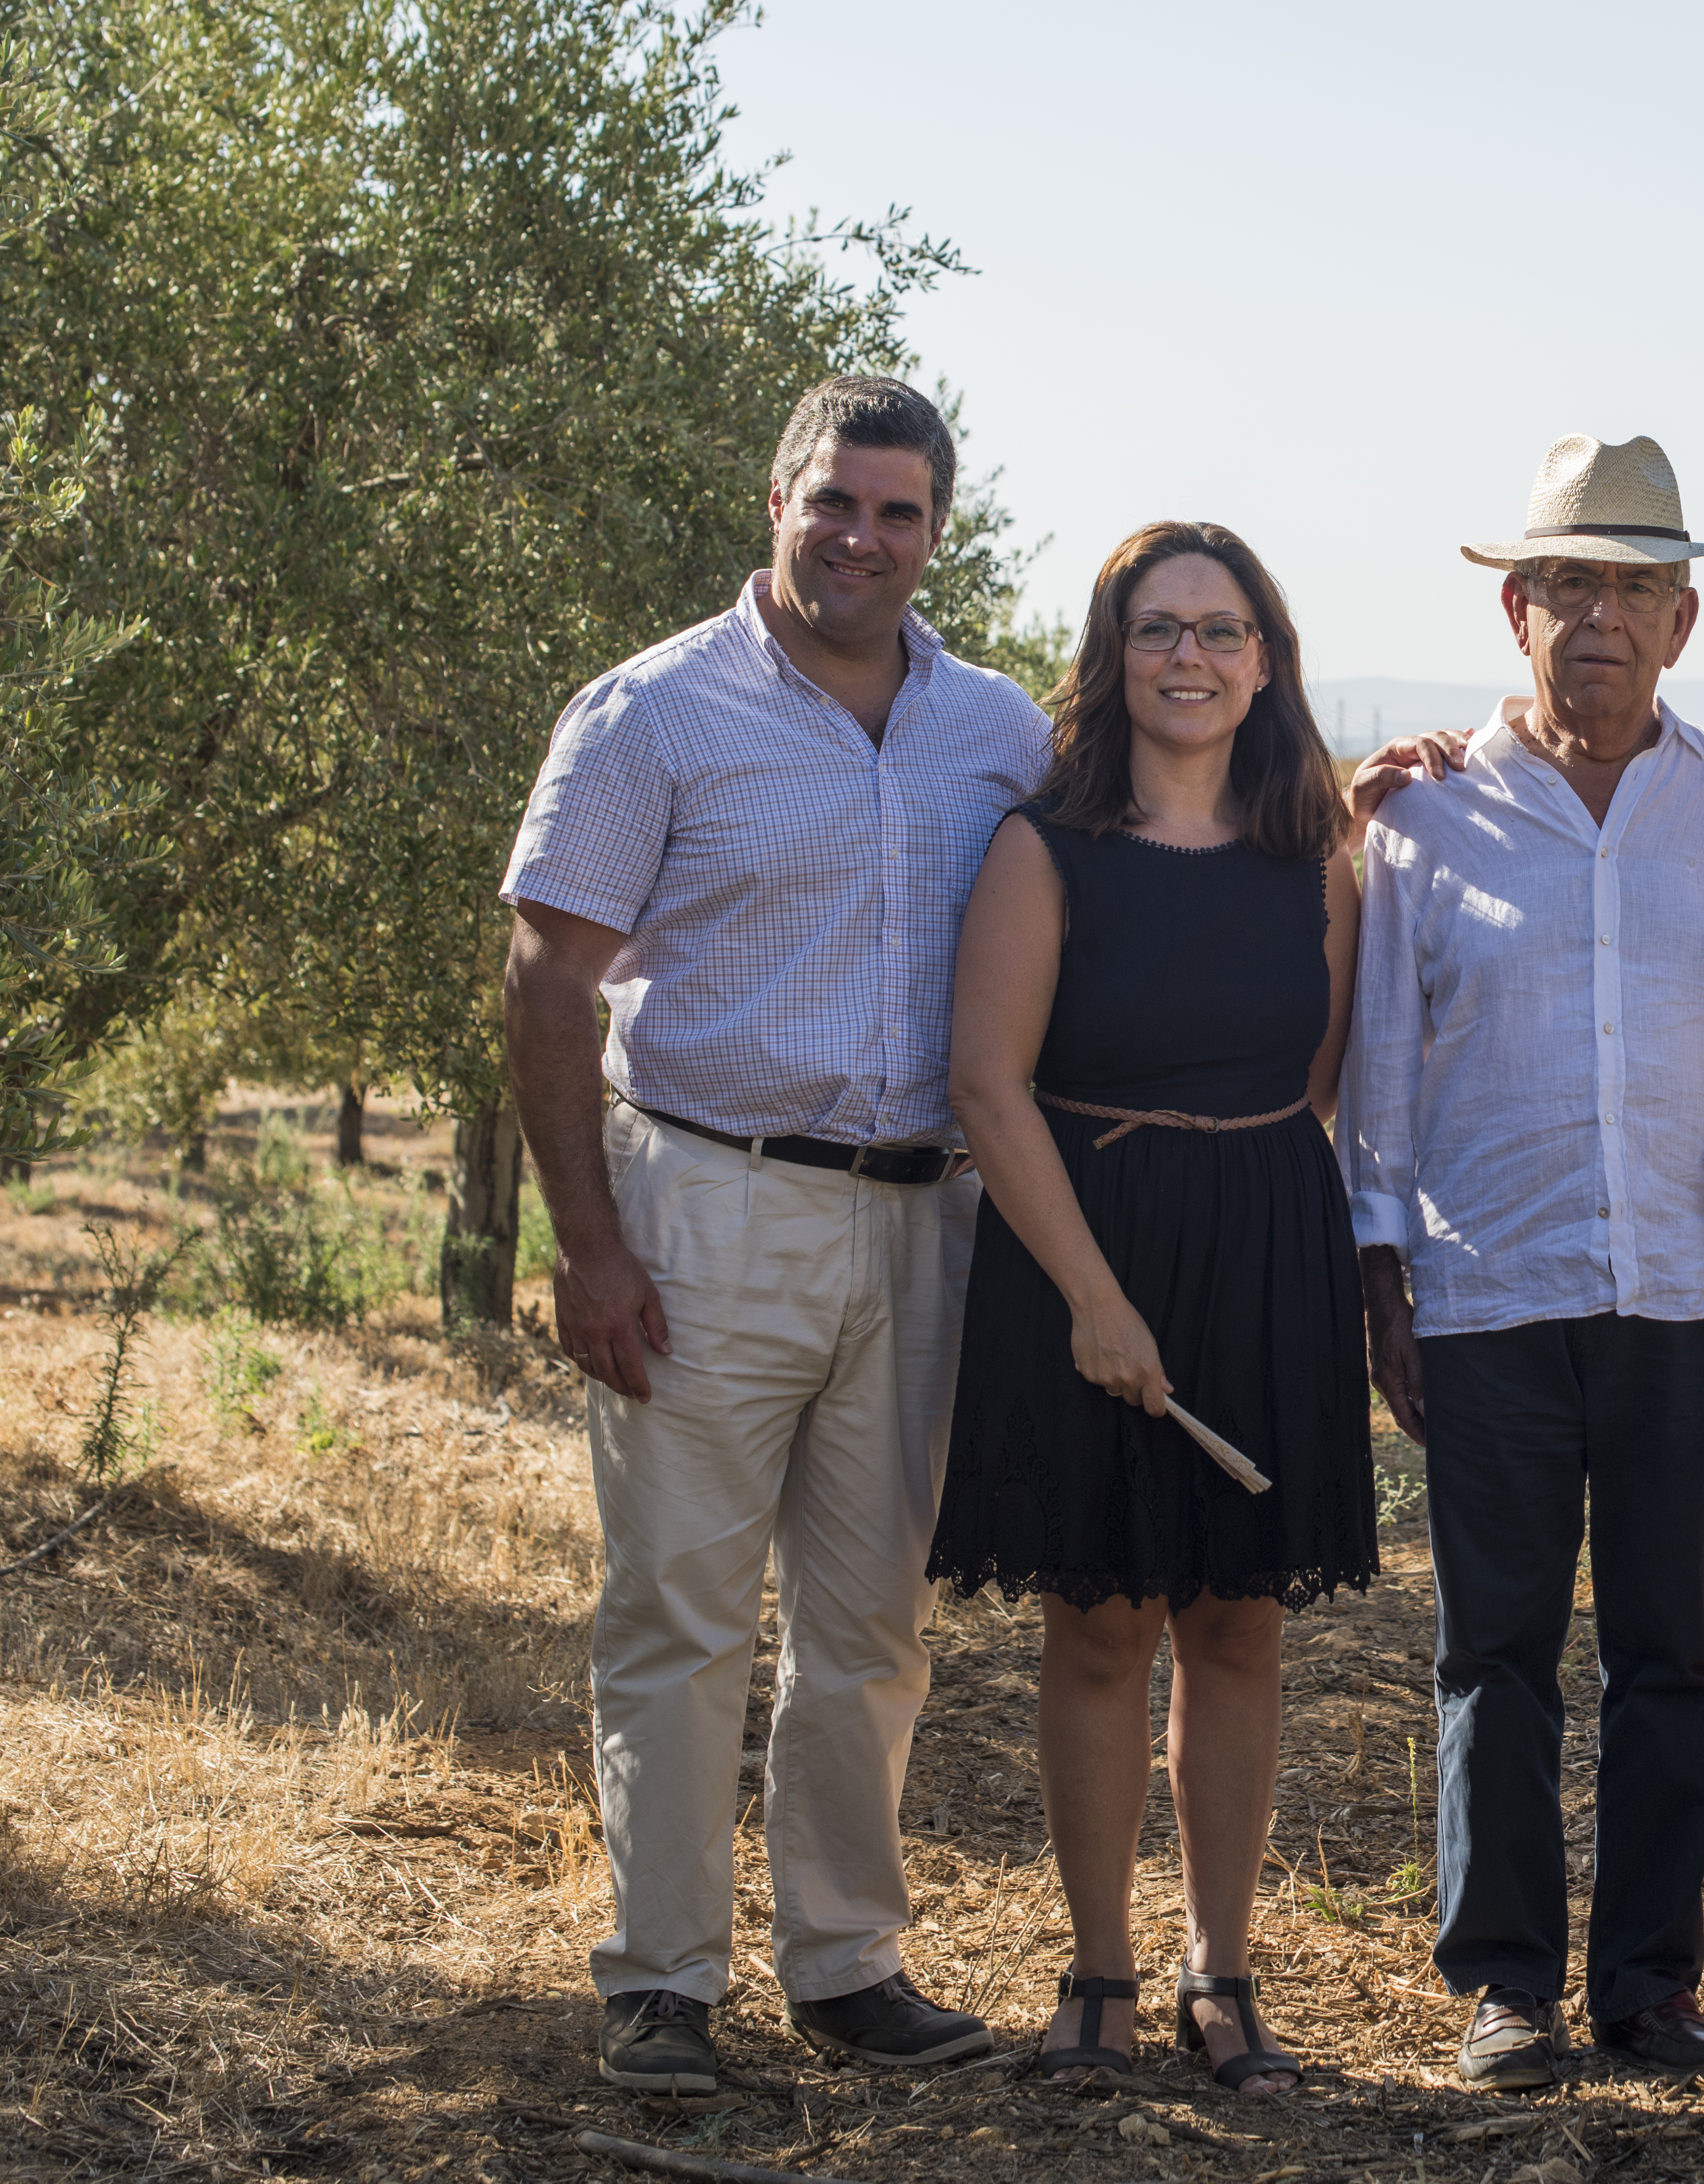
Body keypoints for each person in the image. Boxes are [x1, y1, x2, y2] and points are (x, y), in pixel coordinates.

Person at [501, 375, 1051, 2096]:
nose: (862, 540)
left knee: (872, 1627)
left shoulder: (998, 730)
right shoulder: (650, 715)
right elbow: (542, 984)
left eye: (899, 514)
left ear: (935, 532)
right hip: (705, 1205)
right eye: (836, 503)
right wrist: (592, 1247)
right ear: (776, 497)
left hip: (923, 1226)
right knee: (678, 1610)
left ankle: (845, 1964)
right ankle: (661, 1981)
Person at [1340, 432, 1704, 2091]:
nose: (1601, 620)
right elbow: (1382, 1069)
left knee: (1675, 1654)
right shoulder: (1426, 818)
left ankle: (1645, 1982)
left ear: (1684, 623)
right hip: (1489, 1291)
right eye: (1569, 586)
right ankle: (1504, 1986)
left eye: (1634, 590)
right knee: (1493, 1649)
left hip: (1687, 1292)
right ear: (1515, 609)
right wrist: (1379, 1273)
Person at [934, 522, 1372, 2095]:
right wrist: (1099, 1302)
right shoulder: (1045, 849)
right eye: (1159, 629)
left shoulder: (1321, 857)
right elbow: (988, 1087)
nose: (1191, 657)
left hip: (1265, 1245)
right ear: (1115, 659)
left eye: (1223, 629)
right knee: (1103, 1622)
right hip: (1083, 1250)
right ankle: (1099, 1973)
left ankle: (1224, 1975)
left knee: (1241, 1624)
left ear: (1268, 660)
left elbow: (1314, 1084)